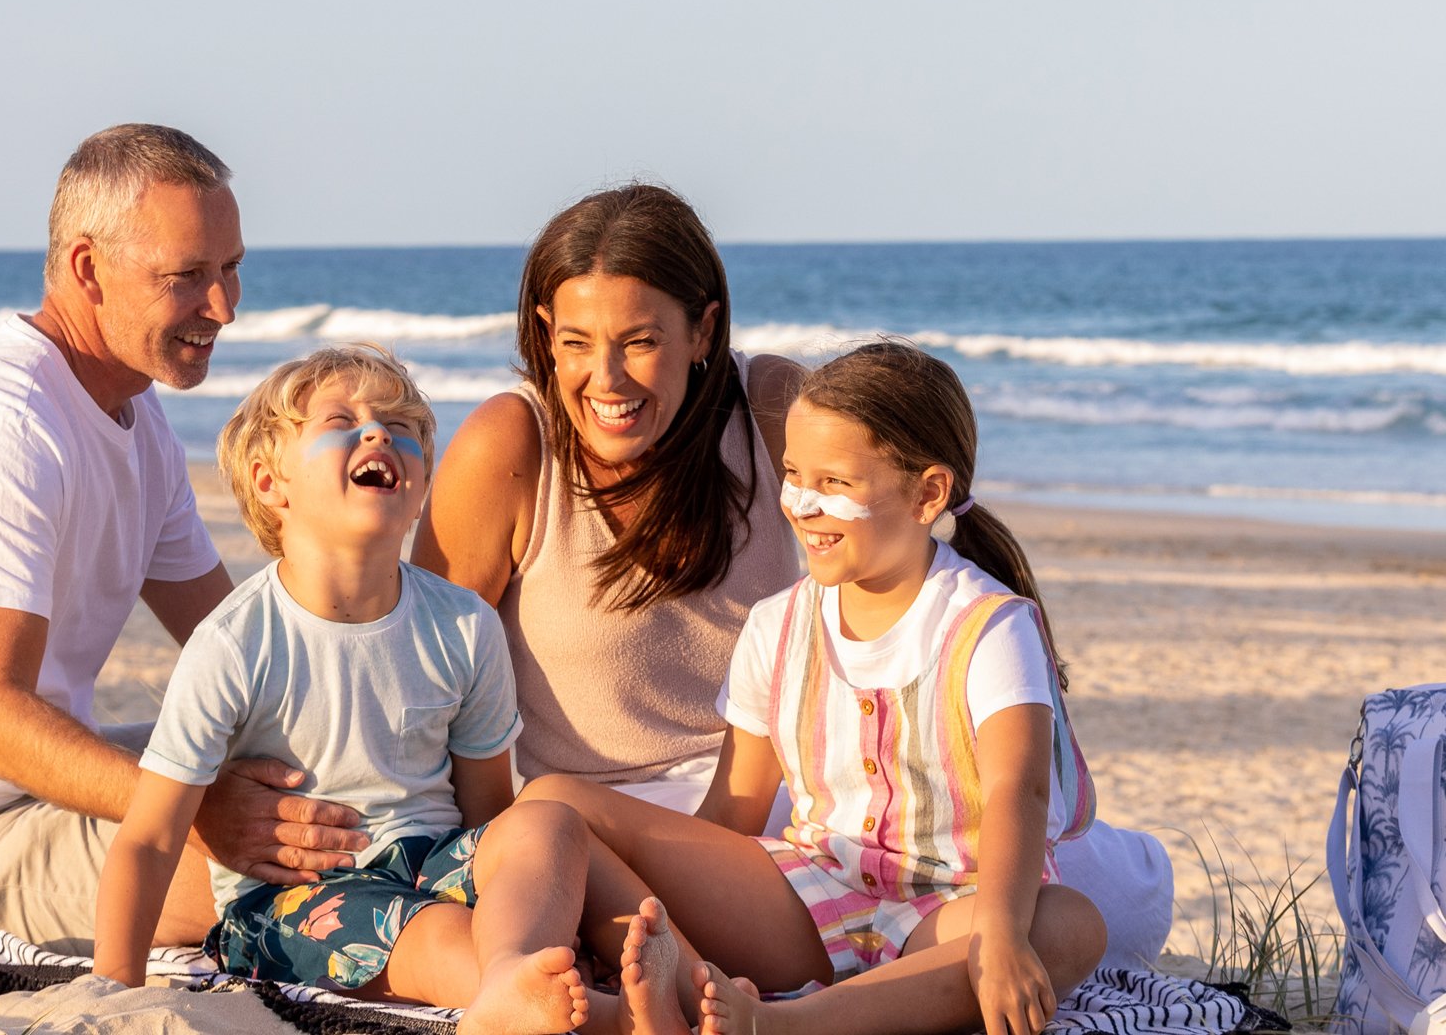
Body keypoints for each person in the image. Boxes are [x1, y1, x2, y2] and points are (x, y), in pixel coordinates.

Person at [412, 182, 1173, 968]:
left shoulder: (772, 407)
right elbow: (420, 676)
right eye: (575, 342)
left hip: (827, 797)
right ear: (546, 332)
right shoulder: (511, 447)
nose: (606, 380)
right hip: (637, 819)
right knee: (556, 845)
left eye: (640, 341)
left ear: (703, 329)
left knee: (1122, 901)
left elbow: (895, 536)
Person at [0, 124, 367, 955]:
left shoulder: (138, 426)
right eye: (186, 278)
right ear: (87, 268)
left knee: (333, 776)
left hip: (31, 803)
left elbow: (244, 646)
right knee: (291, 865)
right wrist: (203, 809)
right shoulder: (1, 426)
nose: (223, 307)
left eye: (231, 268)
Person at [521, 340, 1109, 1035]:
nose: (801, 503)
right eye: (794, 474)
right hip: (810, 894)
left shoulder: (989, 626)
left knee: (1070, 925)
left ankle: (784, 1025)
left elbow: (1021, 792)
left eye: (835, 483)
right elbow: (732, 813)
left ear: (928, 494)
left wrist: (1004, 938)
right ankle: (644, 995)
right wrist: (653, 885)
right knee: (553, 802)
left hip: (954, 915)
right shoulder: (777, 625)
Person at [96, 344, 630, 1034]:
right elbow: (148, 838)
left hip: (433, 861)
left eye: (401, 427)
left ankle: (523, 975)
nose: (379, 432)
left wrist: (512, 887)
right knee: (430, 932)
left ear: (418, 490)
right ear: (269, 484)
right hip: (297, 902)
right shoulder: (237, 643)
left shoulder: (463, 624)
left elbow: (488, 815)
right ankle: (582, 1006)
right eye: (341, 420)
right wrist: (112, 986)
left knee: (549, 822)